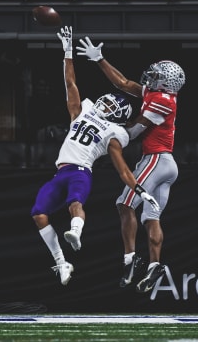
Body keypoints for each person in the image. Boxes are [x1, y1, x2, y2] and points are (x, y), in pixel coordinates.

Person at [31, 26, 160, 286]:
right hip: (60, 172)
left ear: (119, 117)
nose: (106, 105)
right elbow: (70, 83)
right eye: (108, 101)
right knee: (38, 214)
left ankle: (76, 232)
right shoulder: (81, 112)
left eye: (113, 107)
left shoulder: (115, 133)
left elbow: (122, 168)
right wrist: (67, 51)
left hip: (81, 172)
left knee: (75, 205)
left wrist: (140, 190)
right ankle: (61, 262)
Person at [77, 36, 185, 293]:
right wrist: (99, 60)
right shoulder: (160, 93)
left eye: (156, 75)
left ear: (166, 82)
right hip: (166, 162)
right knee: (151, 217)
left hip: (156, 159)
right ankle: (154, 265)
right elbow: (124, 83)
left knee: (124, 204)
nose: (151, 76)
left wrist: (105, 128)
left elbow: (135, 130)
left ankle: (130, 260)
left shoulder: (163, 101)